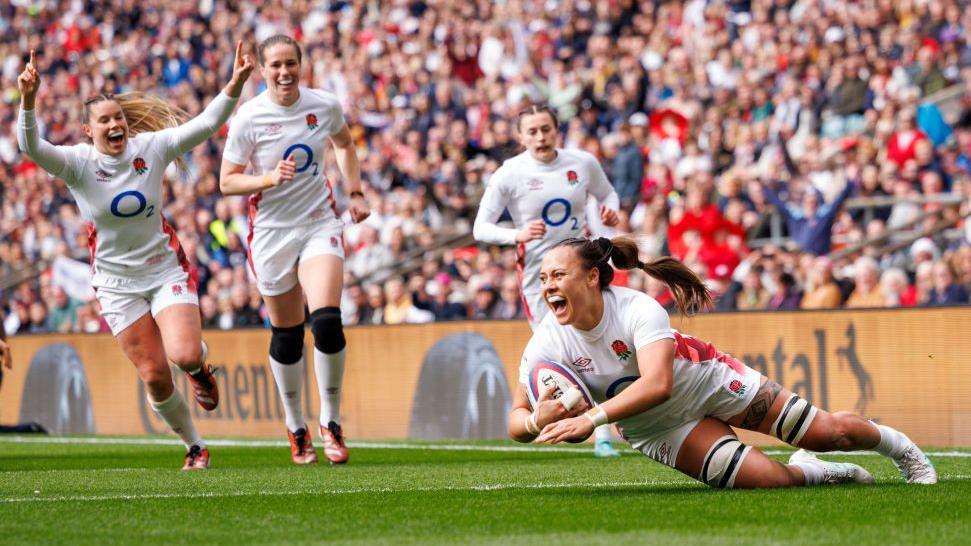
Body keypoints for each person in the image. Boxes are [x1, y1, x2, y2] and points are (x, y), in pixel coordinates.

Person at [509, 236, 937, 488]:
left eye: (557, 275)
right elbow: (516, 420)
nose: (548, 286)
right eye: (543, 278)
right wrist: (536, 421)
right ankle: (813, 471)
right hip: (660, 428)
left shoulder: (636, 308)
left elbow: (659, 384)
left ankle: (900, 448)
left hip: (707, 382)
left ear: (591, 277)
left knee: (830, 431)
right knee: (770, 482)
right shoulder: (547, 340)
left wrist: (593, 419)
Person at [17, 45, 254, 469]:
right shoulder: (77, 164)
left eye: (118, 117)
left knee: (182, 355)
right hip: (115, 283)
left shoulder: (151, 148)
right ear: (88, 131)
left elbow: (207, 124)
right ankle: (195, 446)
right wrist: (29, 101)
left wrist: (234, 85)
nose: (114, 125)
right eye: (104, 120)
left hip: (163, 269)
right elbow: (31, 147)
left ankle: (199, 370)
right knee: (156, 376)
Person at [220, 35, 370, 465]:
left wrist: (355, 192)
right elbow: (227, 181)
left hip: (318, 223)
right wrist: (268, 178)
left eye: (291, 63)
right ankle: (295, 425)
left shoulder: (323, 104)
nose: (284, 72)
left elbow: (344, 144)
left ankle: (332, 421)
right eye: (276, 66)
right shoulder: (249, 118)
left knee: (326, 321)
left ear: (301, 65)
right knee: (287, 335)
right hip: (270, 234)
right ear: (262, 70)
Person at [473, 104, 623, 458]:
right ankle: (545, 419)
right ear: (520, 137)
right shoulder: (510, 173)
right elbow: (480, 227)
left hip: (581, 267)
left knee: (595, 339)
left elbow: (608, 194)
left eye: (546, 129)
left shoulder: (581, 162)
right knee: (557, 346)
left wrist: (609, 213)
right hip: (538, 276)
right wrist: (517, 233)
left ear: (557, 131)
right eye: (532, 131)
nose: (540, 137)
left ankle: (601, 431)